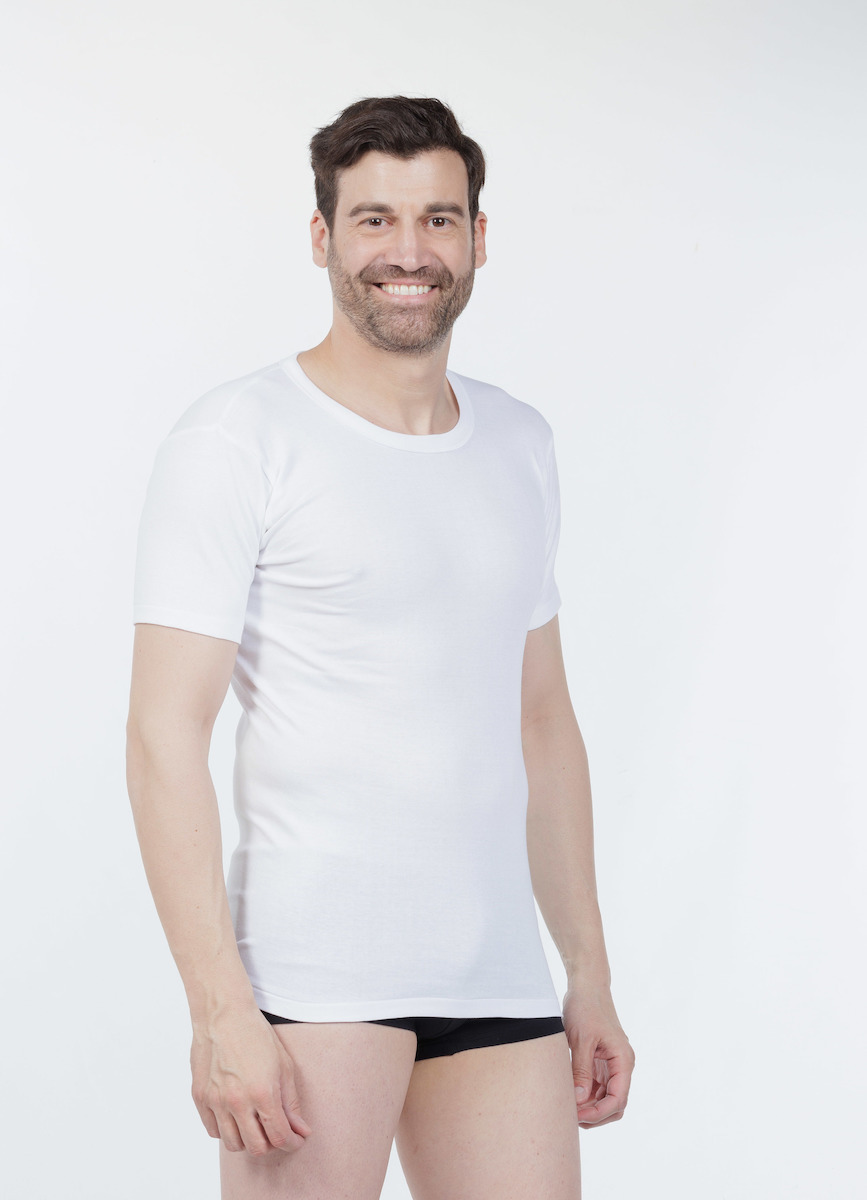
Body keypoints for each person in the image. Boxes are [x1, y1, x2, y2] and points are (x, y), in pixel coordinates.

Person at [126, 95, 634, 1200]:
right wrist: (219, 1008)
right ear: (322, 237)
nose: (409, 252)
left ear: (478, 237)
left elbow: (542, 721)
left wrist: (586, 972)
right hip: (313, 984)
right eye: (374, 220)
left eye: (438, 219)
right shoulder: (238, 439)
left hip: (497, 982)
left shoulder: (519, 441)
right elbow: (166, 735)